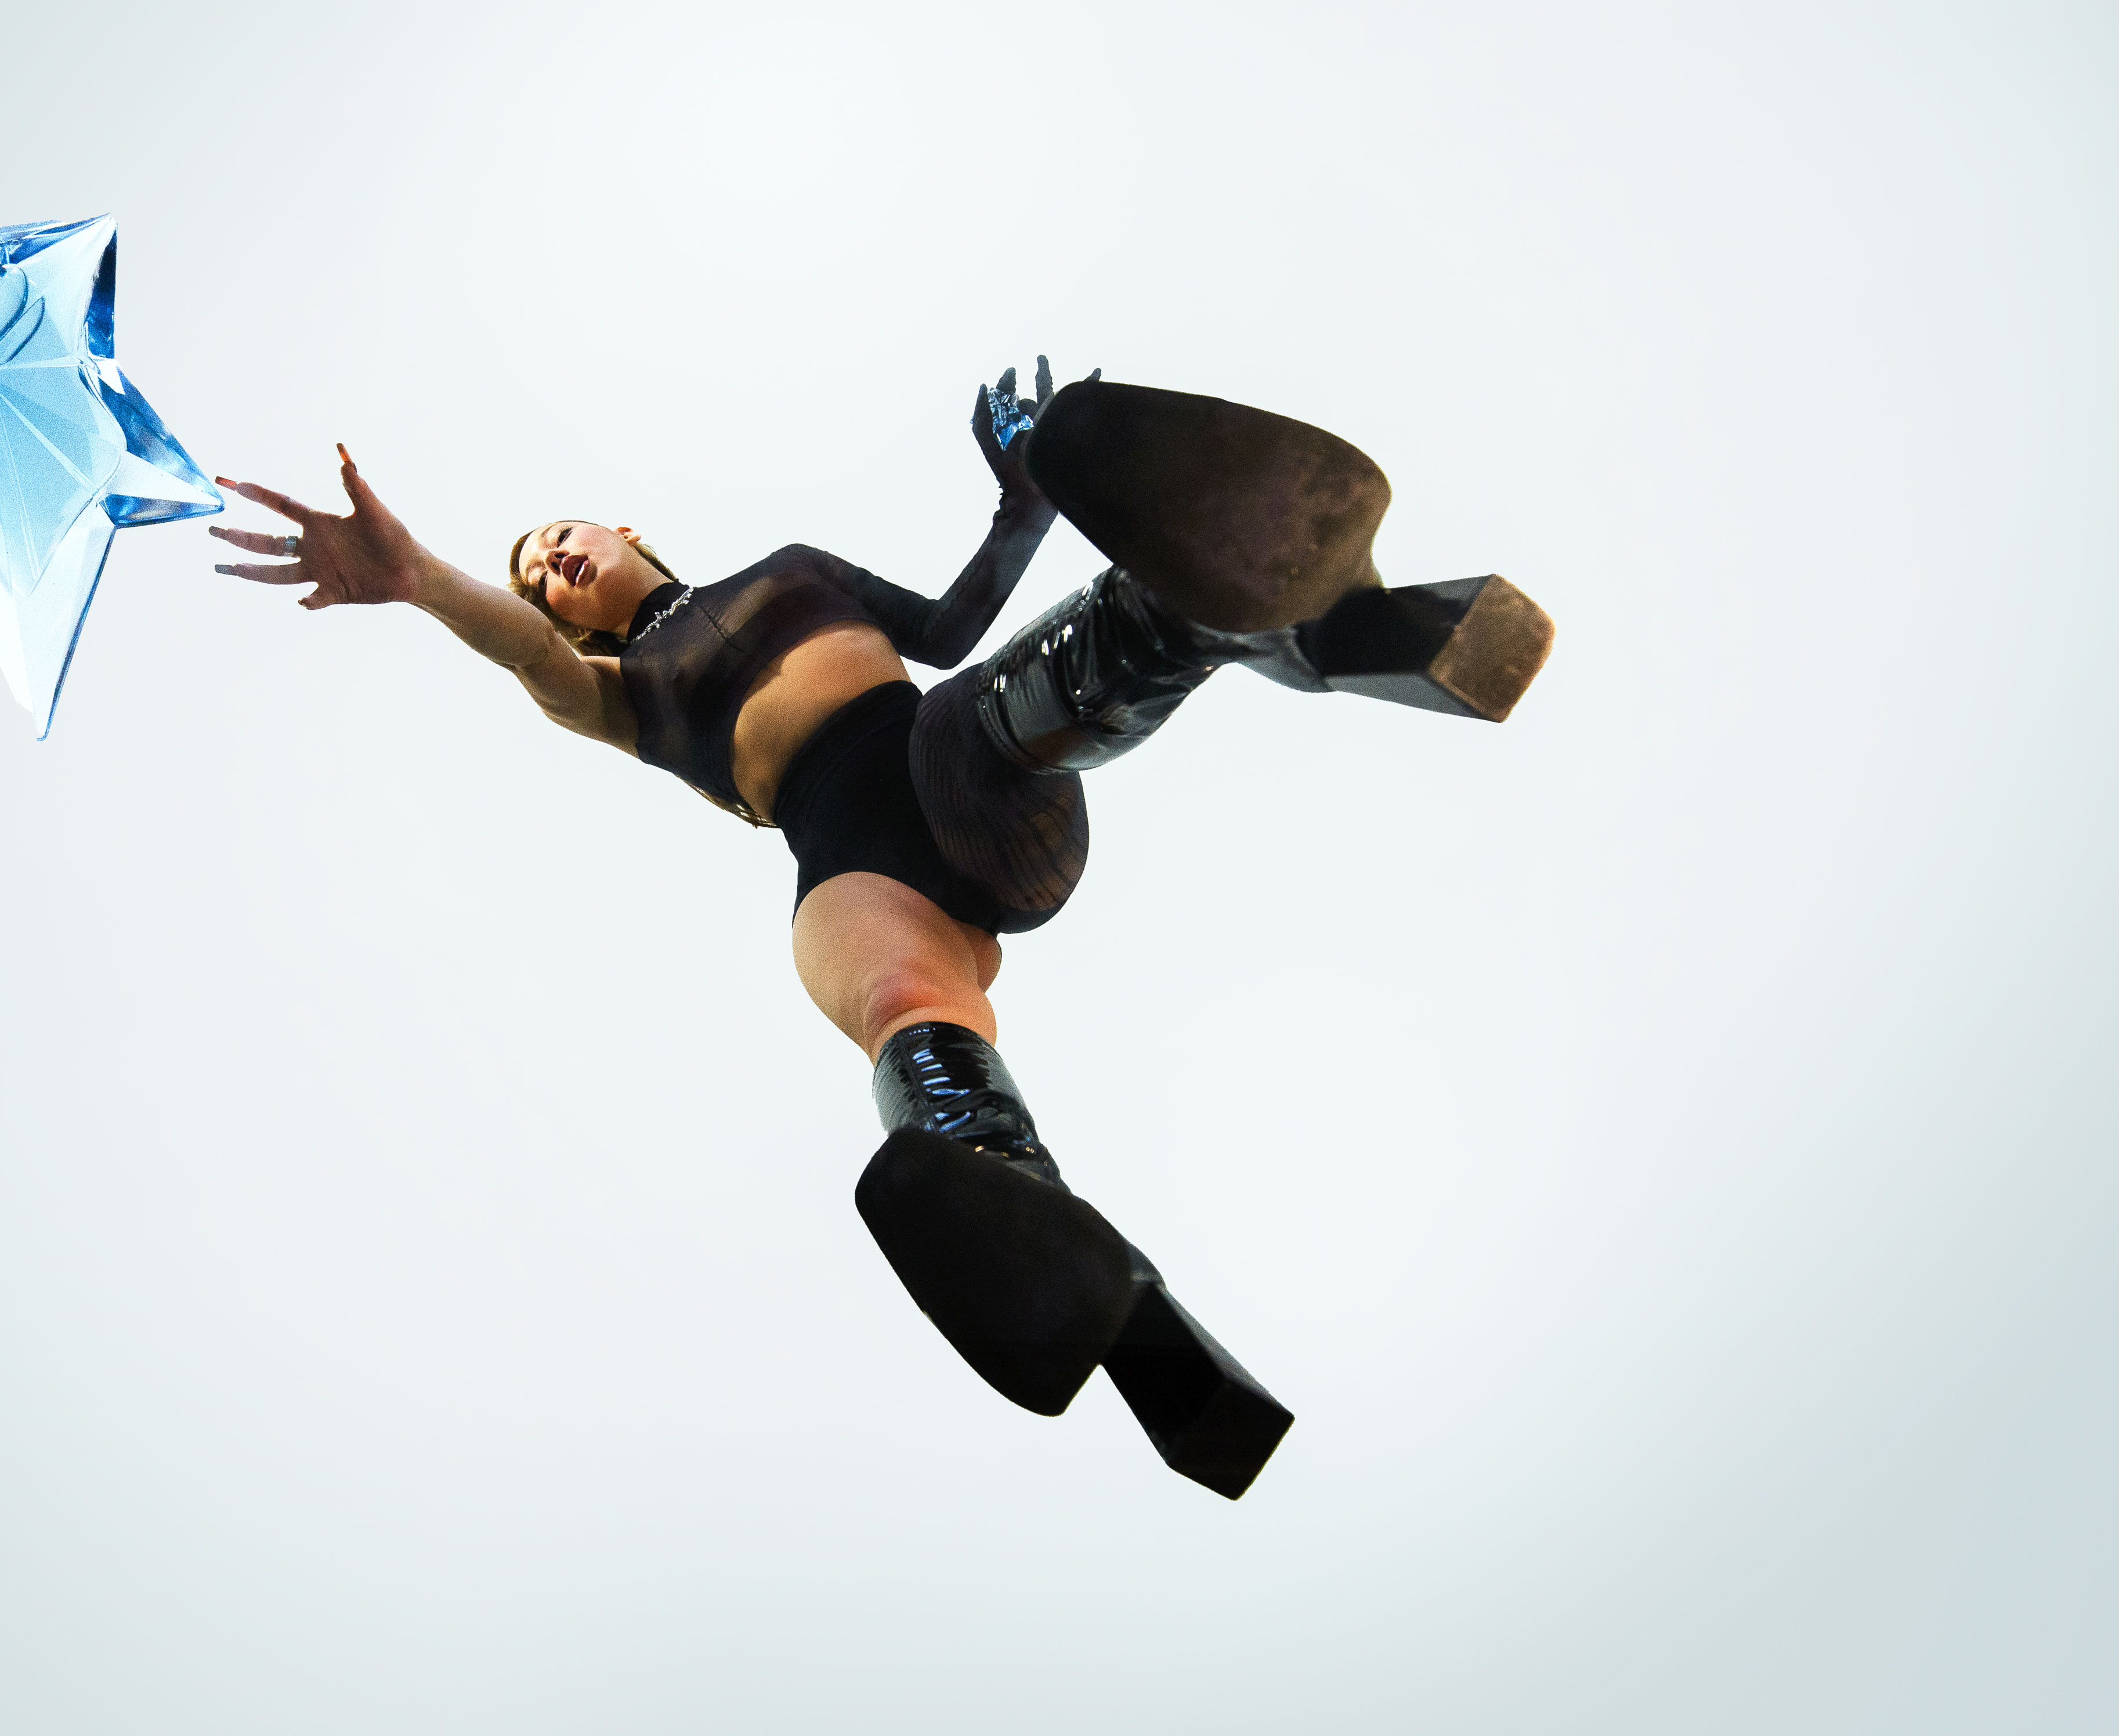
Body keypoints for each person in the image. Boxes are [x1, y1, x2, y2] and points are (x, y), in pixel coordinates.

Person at [211, 363, 1552, 1498]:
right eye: (537, 578)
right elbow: (526, 654)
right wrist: (422, 579)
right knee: (899, 1005)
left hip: (955, 764)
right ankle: (1111, 1306)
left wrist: (1024, 498)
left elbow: (951, 625)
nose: (549, 567)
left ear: (622, 529)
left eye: (556, 538)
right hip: (849, 867)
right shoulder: (616, 693)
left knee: (1025, 689)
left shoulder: (792, 569)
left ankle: (1268, 611)